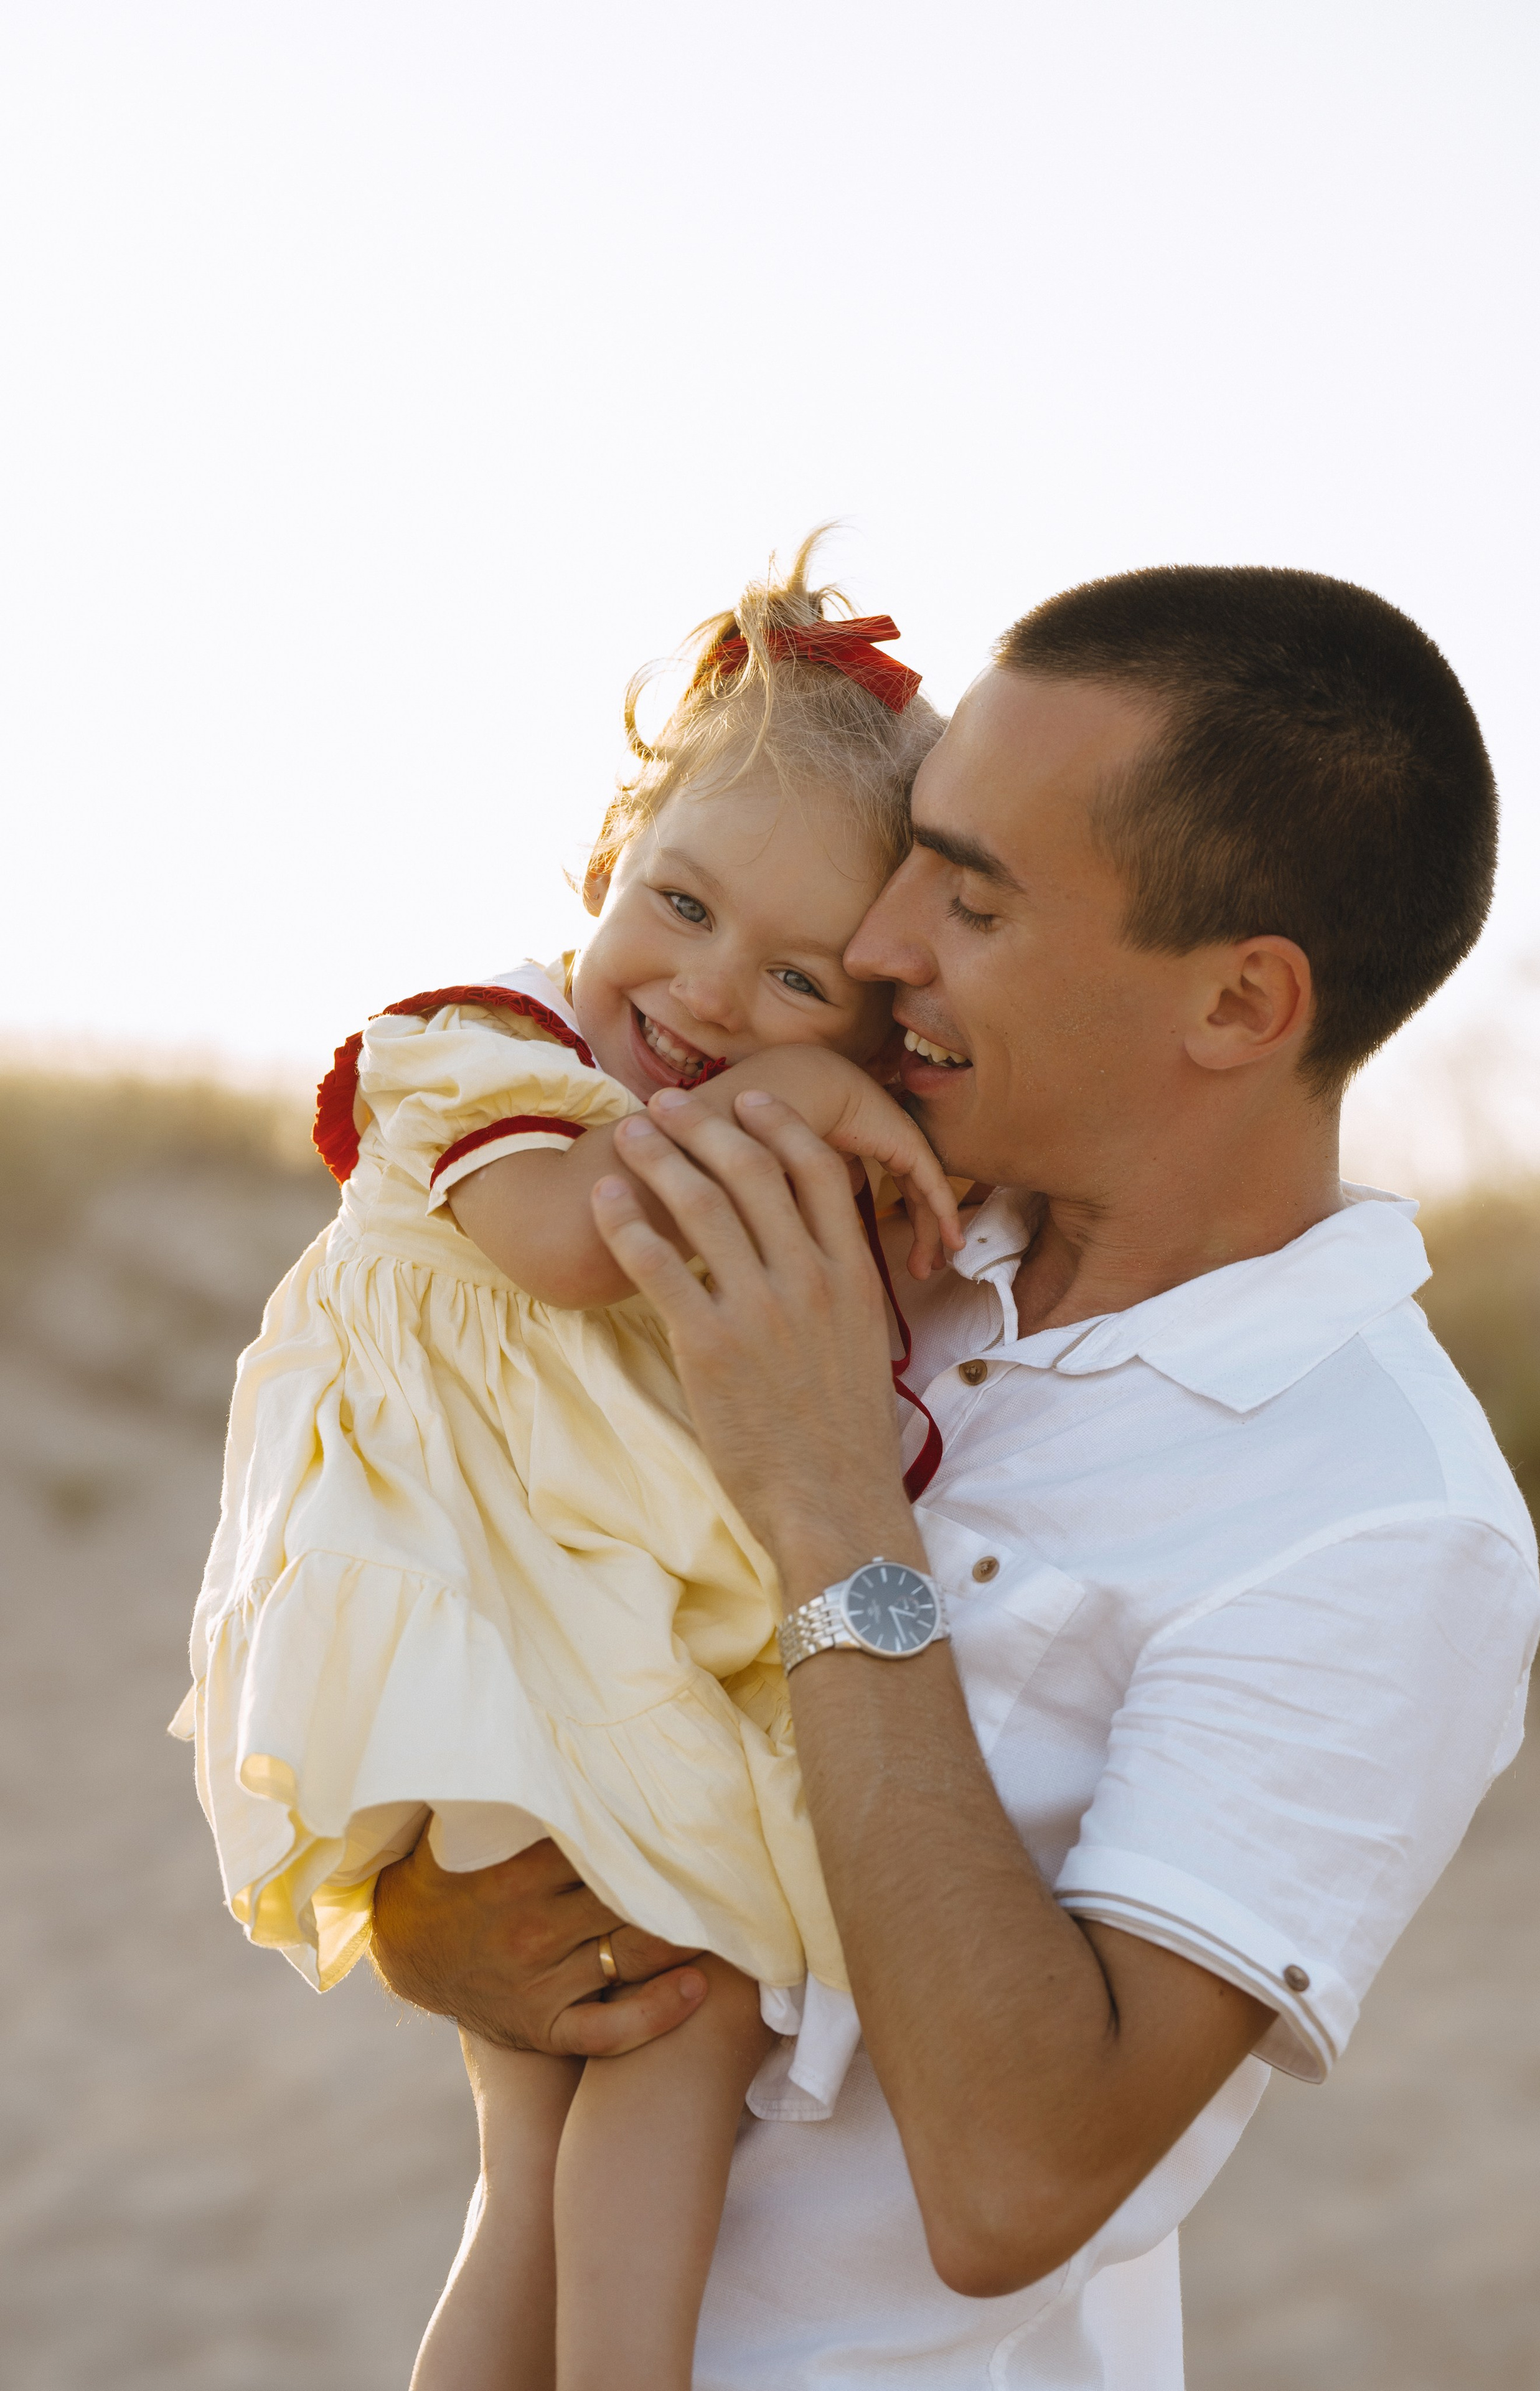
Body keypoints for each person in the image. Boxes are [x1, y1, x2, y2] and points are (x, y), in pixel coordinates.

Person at [370, 564, 1540, 2389]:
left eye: (975, 898)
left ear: (1239, 1005)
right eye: (917, 854)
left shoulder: (1387, 1518)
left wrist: (837, 1505)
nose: (887, 937)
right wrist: (437, 1928)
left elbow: (1015, 2183)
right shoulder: (842, 1191)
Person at [171, 539, 968, 2391]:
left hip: (546, 1634)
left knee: (540, 2144)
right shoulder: (488, 1054)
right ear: (607, 862)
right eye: (679, 905)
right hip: (491, 1635)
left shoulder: (732, 1150)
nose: (702, 997)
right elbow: (560, 1239)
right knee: (674, 2033)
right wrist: (802, 1095)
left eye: (794, 982)